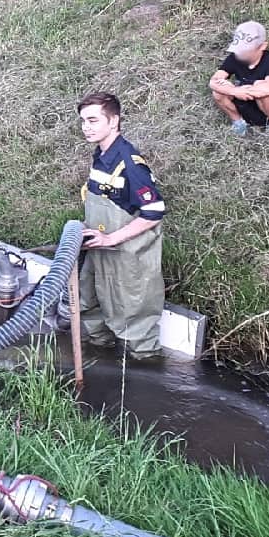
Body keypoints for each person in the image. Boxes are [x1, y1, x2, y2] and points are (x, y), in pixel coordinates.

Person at [76, 92, 166, 360]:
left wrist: (111, 238)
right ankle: (100, 354)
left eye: (93, 120)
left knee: (132, 312)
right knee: (89, 299)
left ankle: (146, 372)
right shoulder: (101, 154)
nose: (86, 127)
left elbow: (154, 212)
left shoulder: (130, 163)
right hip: (98, 247)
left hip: (126, 257)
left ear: (113, 121)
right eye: (82, 121)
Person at [208, 20, 269, 134]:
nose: (240, 54)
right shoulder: (234, 58)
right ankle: (238, 121)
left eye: (245, 51)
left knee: (262, 88)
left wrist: (246, 90)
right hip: (244, 102)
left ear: (262, 46)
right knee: (218, 91)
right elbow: (213, 82)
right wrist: (234, 91)